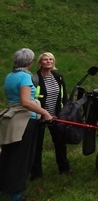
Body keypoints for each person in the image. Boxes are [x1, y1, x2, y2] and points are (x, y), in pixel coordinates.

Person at [0, 48, 54, 201]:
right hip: (24, 121)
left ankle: (3, 186)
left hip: (10, 119)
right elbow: (25, 102)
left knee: (7, 156)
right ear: (30, 62)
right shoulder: (25, 77)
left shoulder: (10, 76)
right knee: (21, 158)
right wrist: (45, 112)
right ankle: (15, 195)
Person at [31, 52, 71, 179]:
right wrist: (40, 113)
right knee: (37, 145)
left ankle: (64, 169)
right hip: (40, 117)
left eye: (51, 59)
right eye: (45, 59)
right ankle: (36, 174)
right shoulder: (34, 78)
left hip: (56, 116)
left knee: (60, 142)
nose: (48, 61)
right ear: (40, 63)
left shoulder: (58, 76)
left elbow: (64, 96)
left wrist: (65, 112)